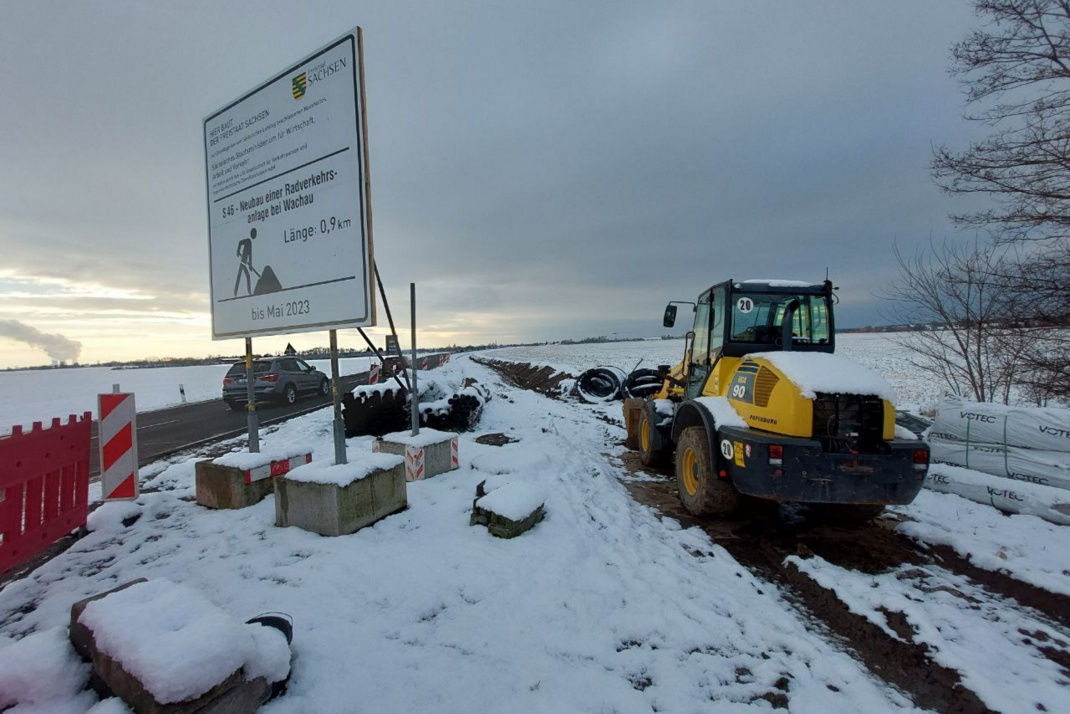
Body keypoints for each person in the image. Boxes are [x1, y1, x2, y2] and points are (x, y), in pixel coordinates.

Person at [234, 228, 258, 296]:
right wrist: (238, 251)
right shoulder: (247, 241)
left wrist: (250, 264)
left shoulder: (250, 243)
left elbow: (250, 255)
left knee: (241, 276)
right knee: (244, 276)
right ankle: (245, 292)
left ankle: (236, 292)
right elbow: (240, 243)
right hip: (242, 262)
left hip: (245, 263)